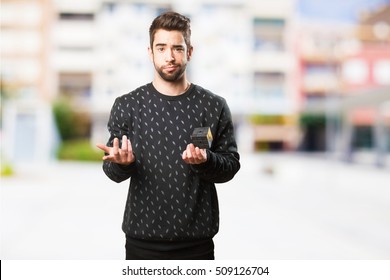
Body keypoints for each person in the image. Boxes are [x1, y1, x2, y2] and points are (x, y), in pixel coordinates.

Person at [96, 11, 240, 260]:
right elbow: (112, 172)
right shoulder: (127, 105)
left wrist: (206, 161)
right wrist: (122, 164)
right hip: (141, 242)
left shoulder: (213, 106)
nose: (170, 56)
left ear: (190, 52)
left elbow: (231, 166)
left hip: (197, 244)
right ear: (150, 52)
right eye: (161, 48)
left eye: (177, 48)